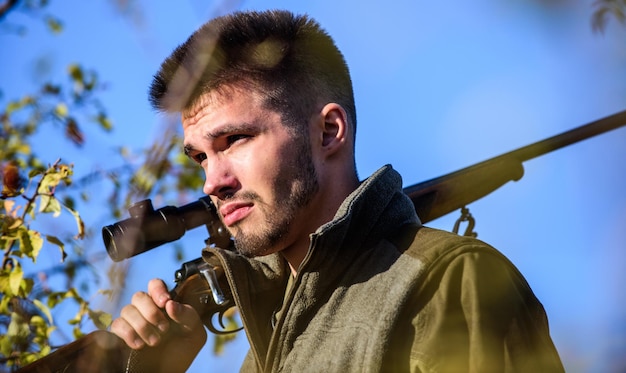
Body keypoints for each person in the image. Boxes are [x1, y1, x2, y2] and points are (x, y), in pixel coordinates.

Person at [110, 9, 565, 372]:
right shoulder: (266, 347)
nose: (213, 182)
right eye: (201, 157)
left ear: (329, 131)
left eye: (235, 140)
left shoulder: (446, 284)